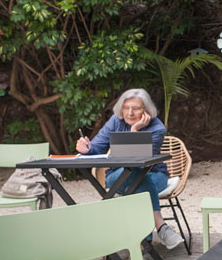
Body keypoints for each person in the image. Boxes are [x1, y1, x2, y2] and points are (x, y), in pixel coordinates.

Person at [76, 88, 184, 251]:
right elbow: (96, 147)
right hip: (117, 176)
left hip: (155, 174)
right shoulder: (115, 121)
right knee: (139, 181)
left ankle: (143, 250)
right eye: (126, 108)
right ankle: (160, 226)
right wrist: (86, 148)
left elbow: (139, 163)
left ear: (146, 110)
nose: (130, 113)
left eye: (136, 108)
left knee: (139, 179)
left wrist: (135, 130)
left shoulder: (157, 128)